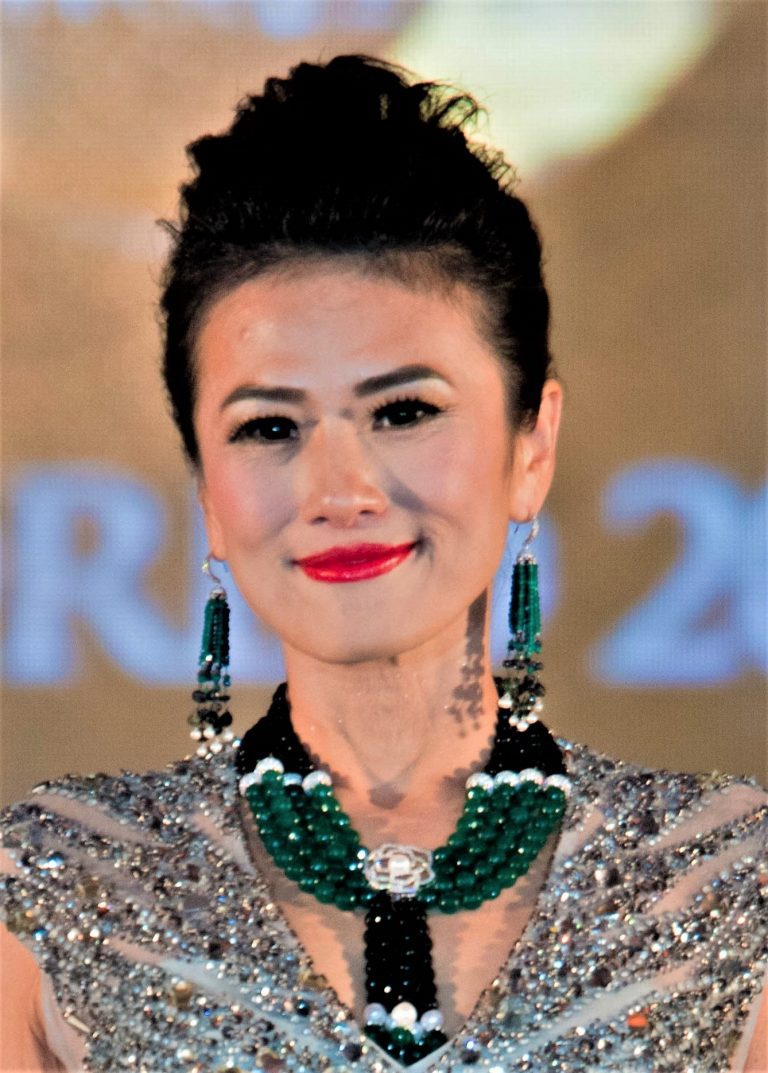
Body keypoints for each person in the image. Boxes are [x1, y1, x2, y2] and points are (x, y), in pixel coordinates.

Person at [1, 54, 766, 1073]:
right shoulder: (63, 889)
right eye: (269, 426)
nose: (341, 487)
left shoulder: (718, 882)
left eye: (404, 411)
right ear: (207, 491)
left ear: (531, 445)